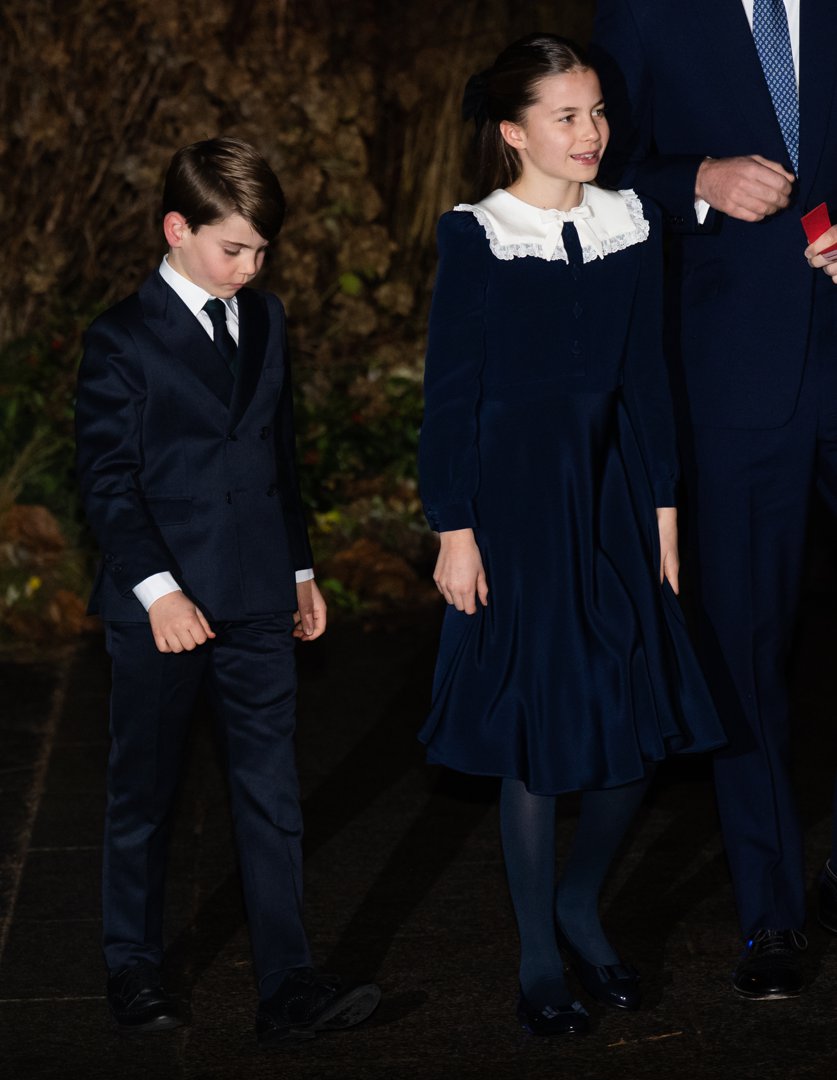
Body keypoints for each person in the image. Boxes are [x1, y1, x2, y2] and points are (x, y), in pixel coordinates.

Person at [417, 34, 726, 1037]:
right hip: (514, 501)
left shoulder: (631, 221)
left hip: (615, 491)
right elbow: (451, 393)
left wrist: (664, 512)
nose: (591, 132)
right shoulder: (477, 235)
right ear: (514, 133)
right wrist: (453, 526)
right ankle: (539, 958)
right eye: (565, 116)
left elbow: (646, 377)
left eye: (596, 111)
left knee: (639, 714)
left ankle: (580, 903)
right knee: (539, 726)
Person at [74, 136, 381, 1043]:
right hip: (161, 607)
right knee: (144, 792)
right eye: (233, 248)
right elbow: (107, 481)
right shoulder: (121, 337)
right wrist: (158, 592)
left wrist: (299, 569)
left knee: (270, 793)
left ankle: (288, 982)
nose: (249, 269)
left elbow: (278, 455)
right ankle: (133, 966)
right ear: (177, 229)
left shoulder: (267, 319)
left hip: (255, 595)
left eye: (261, 252)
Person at [590, 0, 837, 999]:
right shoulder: (647, 13)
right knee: (743, 647)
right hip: (729, 379)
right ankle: (770, 913)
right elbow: (594, 167)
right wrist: (696, 179)